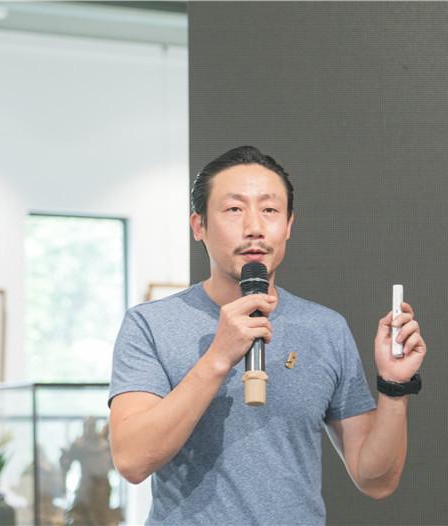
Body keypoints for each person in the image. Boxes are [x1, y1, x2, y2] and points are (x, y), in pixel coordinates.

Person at [108, 145, 427, 525]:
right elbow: (132, 460)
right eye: (234, 209)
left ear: (289, 225)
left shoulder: (325, 328)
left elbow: (376, 480)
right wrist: (218, 357)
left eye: (270, 210)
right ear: (199, 225)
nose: (254, 227)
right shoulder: (150, 324)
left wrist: (394, 387)